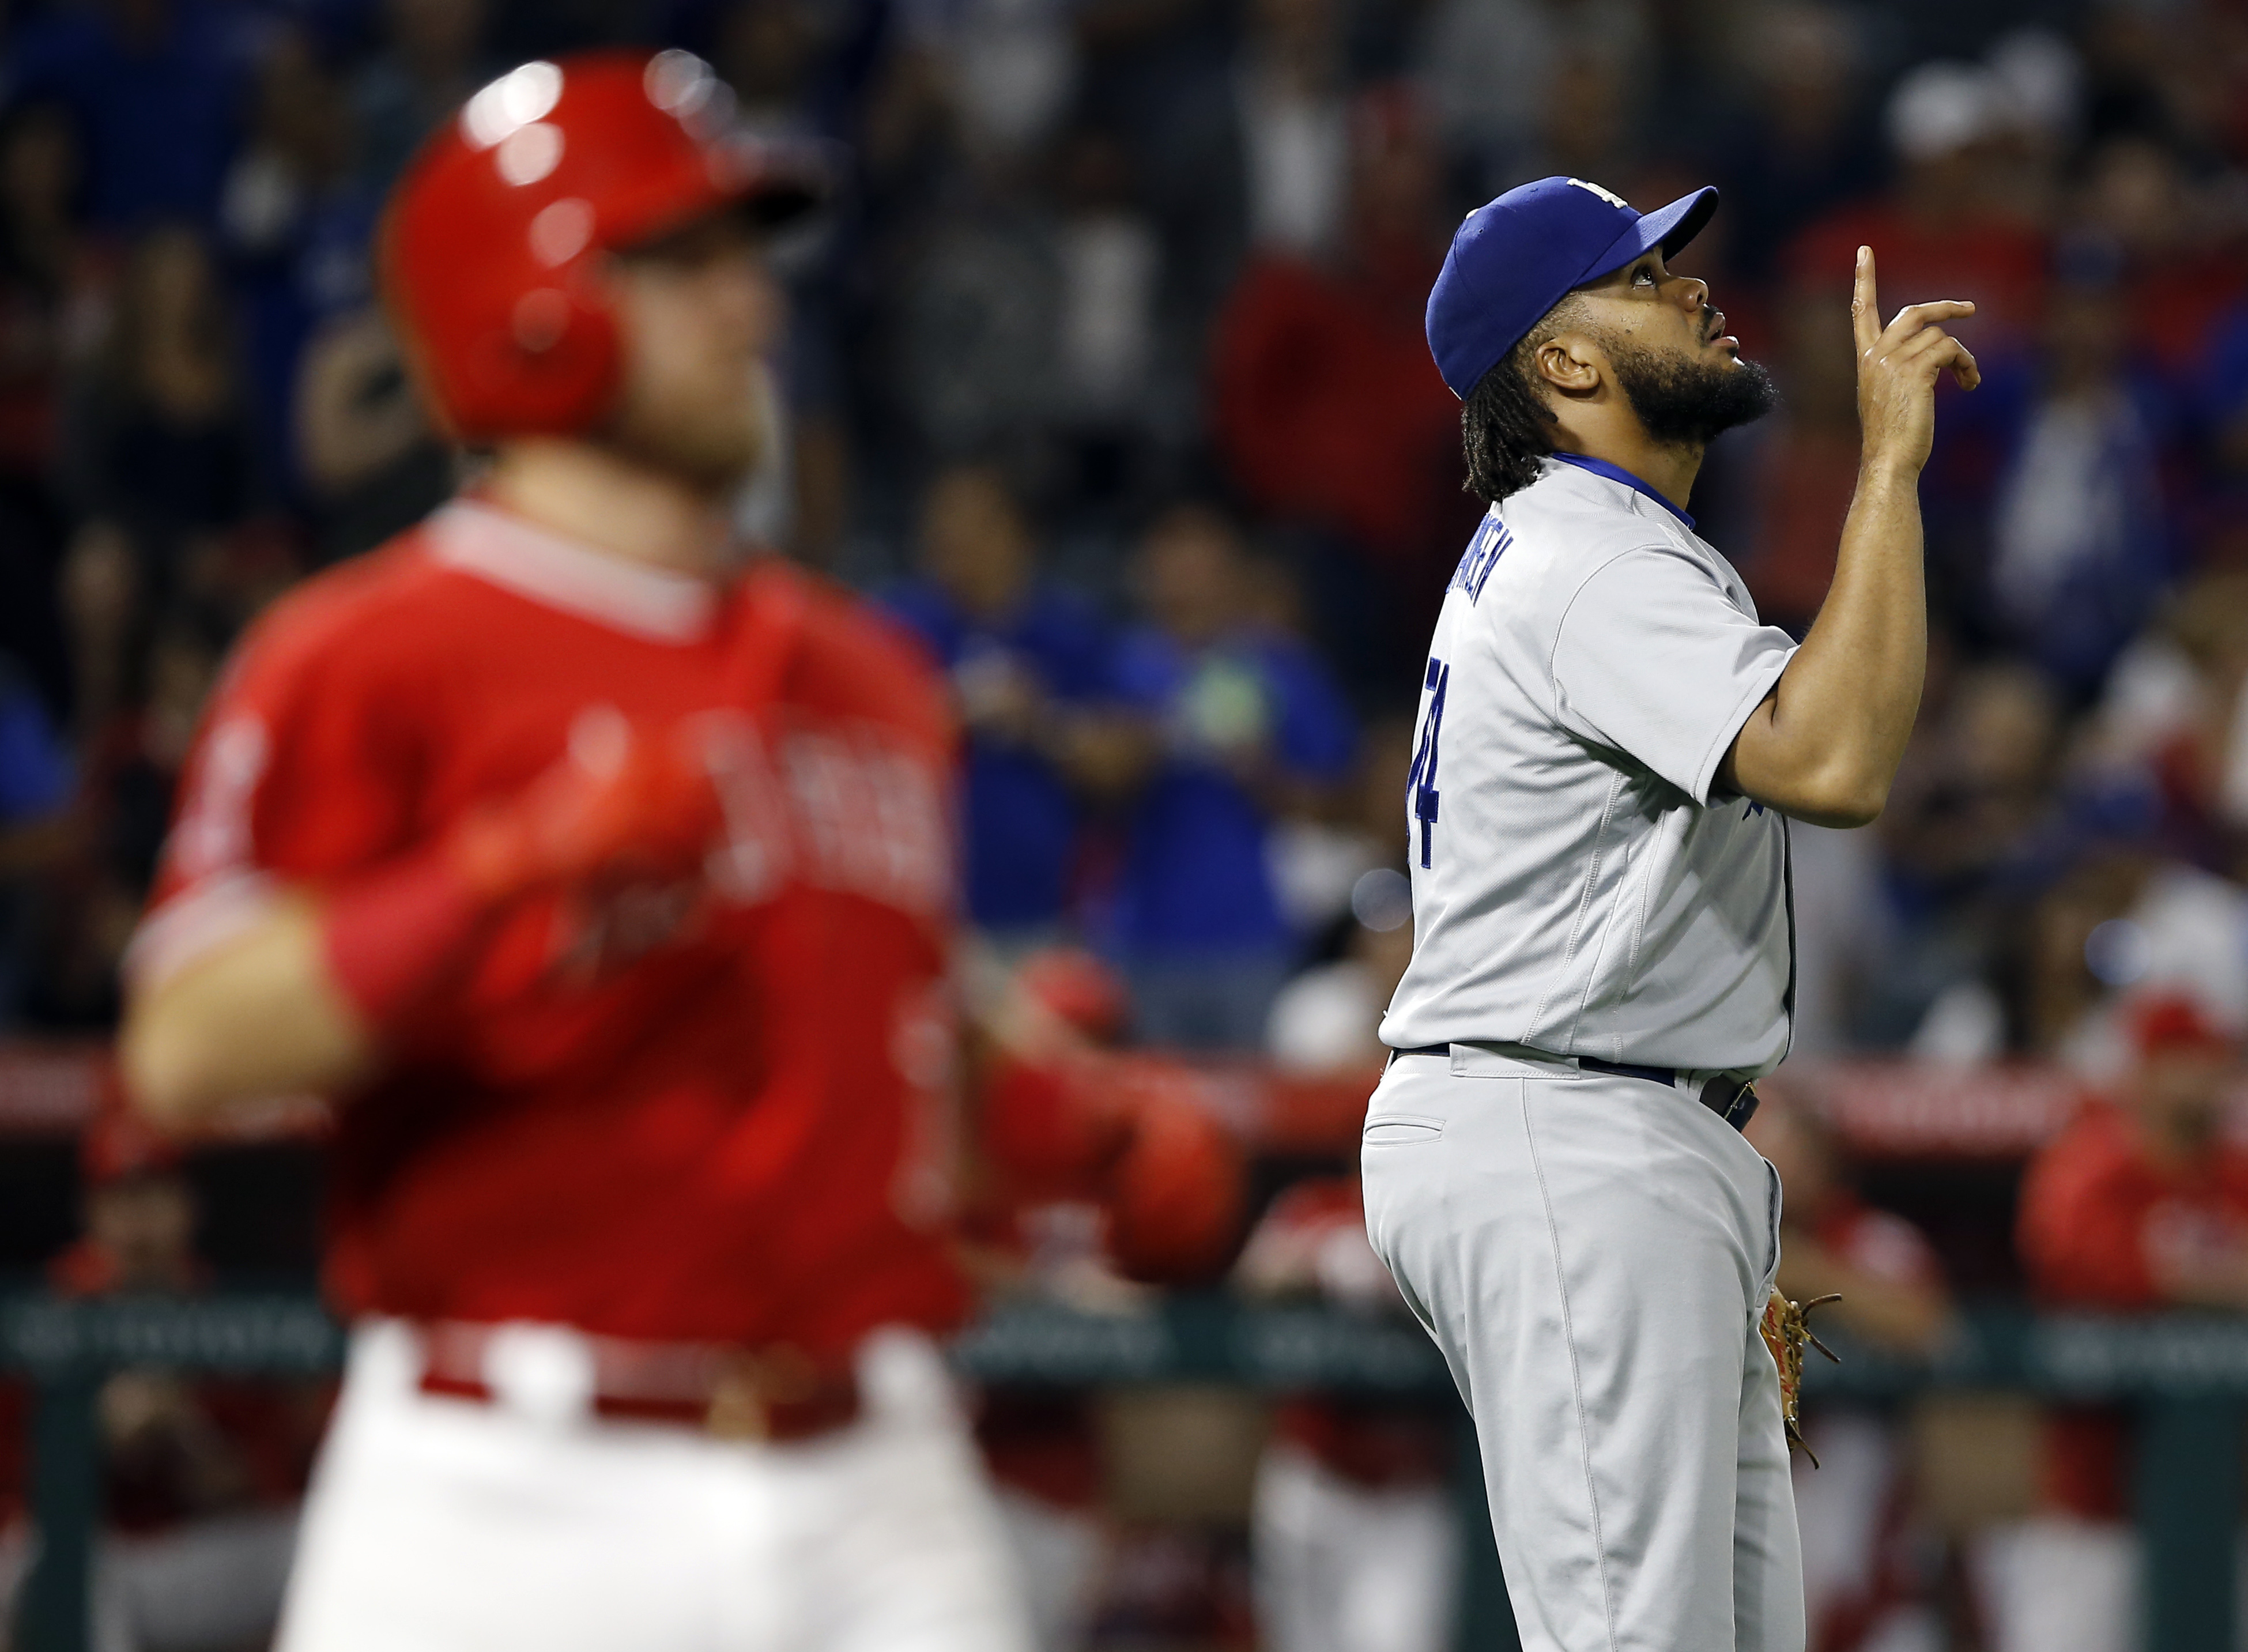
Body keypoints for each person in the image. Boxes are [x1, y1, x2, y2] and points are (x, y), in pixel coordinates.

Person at [115, 51, 1041, 1652]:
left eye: (743, 262)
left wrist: (1057, 1121)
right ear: (526, 304)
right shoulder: (367, 650)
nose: (747, 310)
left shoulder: (876, 682)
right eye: (678, 264)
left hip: (879, 1468)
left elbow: (876, 1033)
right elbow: (188, 1045)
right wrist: (496, 874)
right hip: (513, 1484)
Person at [1360, 175, 1979, 1652]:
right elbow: (1832, 759)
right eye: (1642, 274)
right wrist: (1887, 467)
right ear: (1562, 363)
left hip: (1600, 1123)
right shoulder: (1589, 555)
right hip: (1570, 1130)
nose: (1693, 287)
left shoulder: (1587, 549)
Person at [1993, 990, 2248, 1652]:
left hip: (2225, 1516)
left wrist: (2176, 1282)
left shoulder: (2236, 1173)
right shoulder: (2089, 1164)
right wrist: (2218, 1284)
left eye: (2214, 1058)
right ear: (2146, 1068)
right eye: (2186, 1058)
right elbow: (2086, 1268)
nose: (2208, 1073)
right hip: (2093, 1514)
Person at [1105, 502, 1357, 1050]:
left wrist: (1261, 771)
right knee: (1157, 1117)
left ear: (1233, 575)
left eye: (1201, 570)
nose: (1186, 588)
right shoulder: (1125, 665)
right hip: (1145, 936)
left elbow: (1343, 801)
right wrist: (1149, 739)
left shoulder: (1282, 668)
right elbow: (1090, 787)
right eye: (1172, 570)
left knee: (1256, 1117)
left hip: (1253, 935)